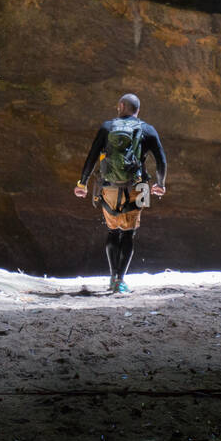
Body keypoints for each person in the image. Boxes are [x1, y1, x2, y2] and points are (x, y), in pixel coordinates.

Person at [74, 93, 166, 293]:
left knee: (112, 231)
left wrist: (82, 184)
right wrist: (160, 184)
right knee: (129, 233)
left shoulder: (107, 127)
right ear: (137, 110)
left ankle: (112, 276)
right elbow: (161, 160)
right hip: (137, 187)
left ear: (120, 106)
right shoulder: (147, 129)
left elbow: (92, 156)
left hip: (109, 187)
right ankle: (121, 280)